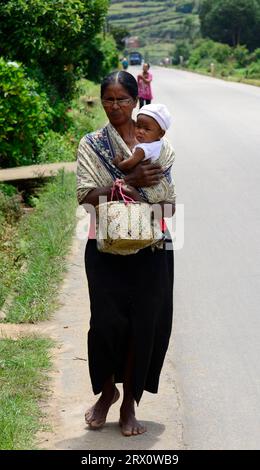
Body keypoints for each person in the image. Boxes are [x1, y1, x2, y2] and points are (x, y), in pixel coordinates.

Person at [76, 70, 176, 437]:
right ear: (101, 101)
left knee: (143, 326)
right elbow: (85, 197)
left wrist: (144, 189)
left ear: (137, 102)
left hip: (152, 247)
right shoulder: (92, 144)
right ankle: (106, 392)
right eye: (108, 99)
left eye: (123, 100)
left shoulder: (157, 144)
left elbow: (169, 201)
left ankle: (129, 404)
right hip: (103, 246)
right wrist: (127, 182)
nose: (115, 106)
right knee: (105, 324)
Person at [113, 103, 171, 172]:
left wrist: (118, 164)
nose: (140, 131)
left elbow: (128, 165)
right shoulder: (159, 143)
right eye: (138, 126)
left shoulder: (142, 149)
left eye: (147, 129)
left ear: (161, 133)